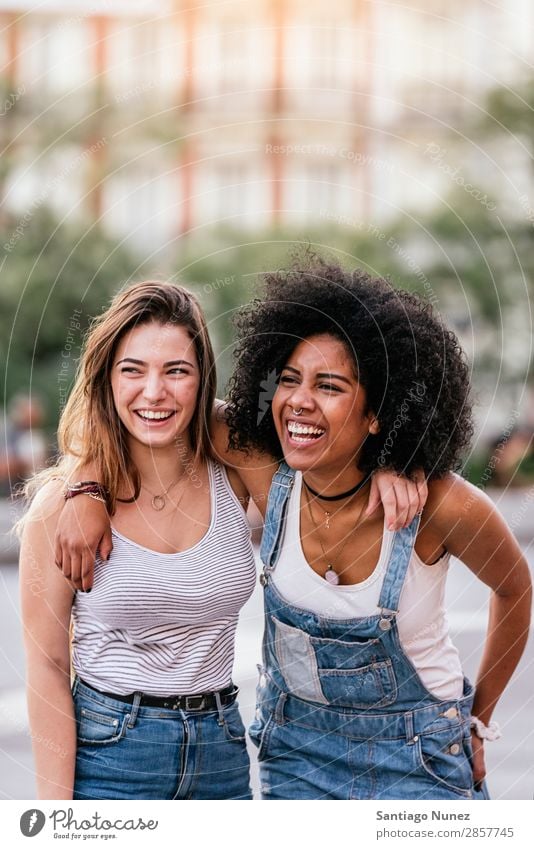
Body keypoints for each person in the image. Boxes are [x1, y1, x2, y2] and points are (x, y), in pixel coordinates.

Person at [21, 279, 421, 801]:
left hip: (222, 751)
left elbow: (323, 458)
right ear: (106, 379)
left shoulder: (234, 468)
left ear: (203, 380)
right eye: (132, 370)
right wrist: (56, 819)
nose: (155, 392)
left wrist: (392, 463)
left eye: (177, 371)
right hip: (111, 756)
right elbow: (48, 669)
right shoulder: (57, 511)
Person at [222, 255, 532, 800]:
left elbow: (515, 588)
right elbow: (153, 406)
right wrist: (81, 489)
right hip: (297, 759)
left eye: (330, 386)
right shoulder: (265, 475)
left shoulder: (441, 506)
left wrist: (479, 720)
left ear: (377, 413)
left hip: (419, 764)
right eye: (290, 379)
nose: (299, 401)